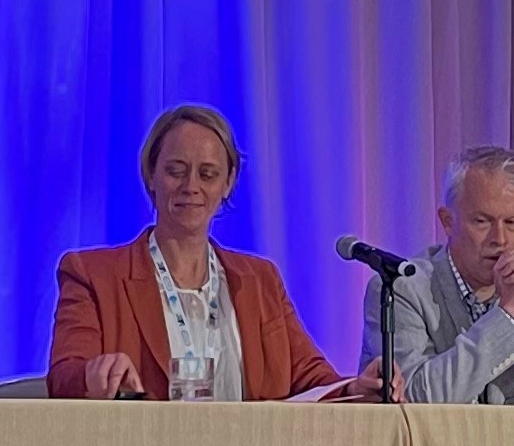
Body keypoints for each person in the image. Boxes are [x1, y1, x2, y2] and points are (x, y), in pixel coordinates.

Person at [48, 103, 363, 402]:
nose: (191, 186)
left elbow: (311, 379)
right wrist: (93, 374)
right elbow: (63, 378)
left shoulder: (261, 280)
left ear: (228, 184)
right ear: (151, 176)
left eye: (208, 174)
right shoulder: (93, 275)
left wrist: (357, 389)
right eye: (176, 171)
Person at [359, 145, 514, 405]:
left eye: (512, 222)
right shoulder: (401, 290)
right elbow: (413, 399)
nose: (500, 239)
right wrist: (505, 316)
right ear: (448, 221)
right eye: (482, 222)